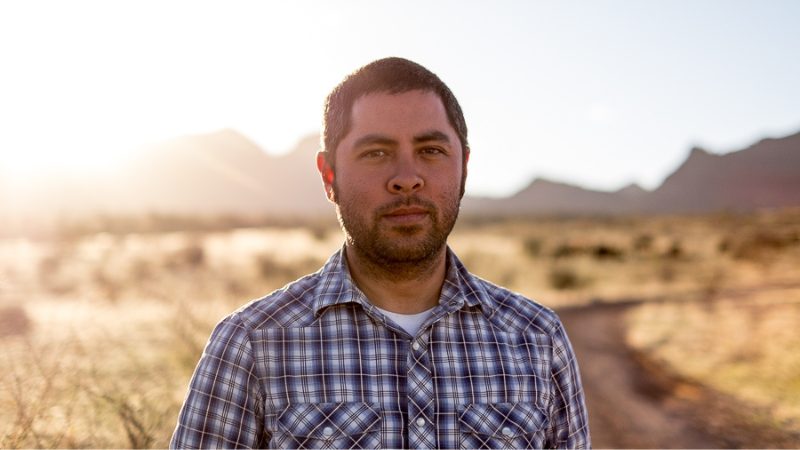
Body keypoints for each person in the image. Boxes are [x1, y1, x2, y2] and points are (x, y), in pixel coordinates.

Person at [171, 57, 590, 449]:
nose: (407, 179)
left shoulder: (537, 337)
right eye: (376, 153)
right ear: (328, 175)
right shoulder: (252, 342)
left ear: (464, 166)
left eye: (431, 151)